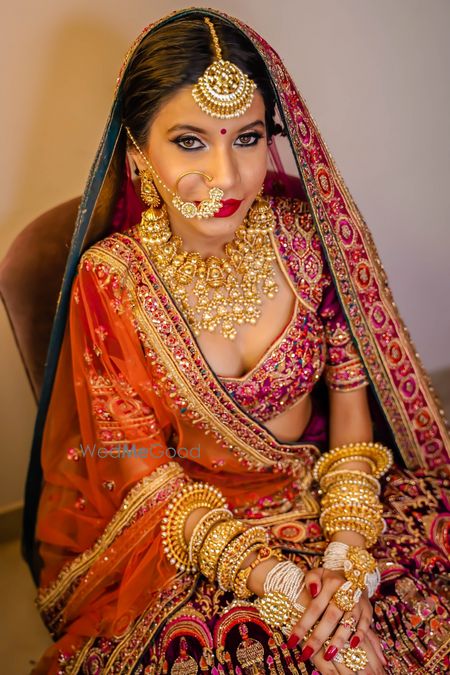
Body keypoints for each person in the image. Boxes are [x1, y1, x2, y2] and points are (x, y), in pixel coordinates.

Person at [23, 8, 449, 674]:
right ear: (137, 154)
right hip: (193, 537)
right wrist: (273, 580)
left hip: (330, 492)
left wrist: (347, 550)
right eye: (190, 142)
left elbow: (348, 401)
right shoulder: (115, 281)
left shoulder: (306, 236)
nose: (227, 175)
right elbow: (142, 473)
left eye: (247, 138)